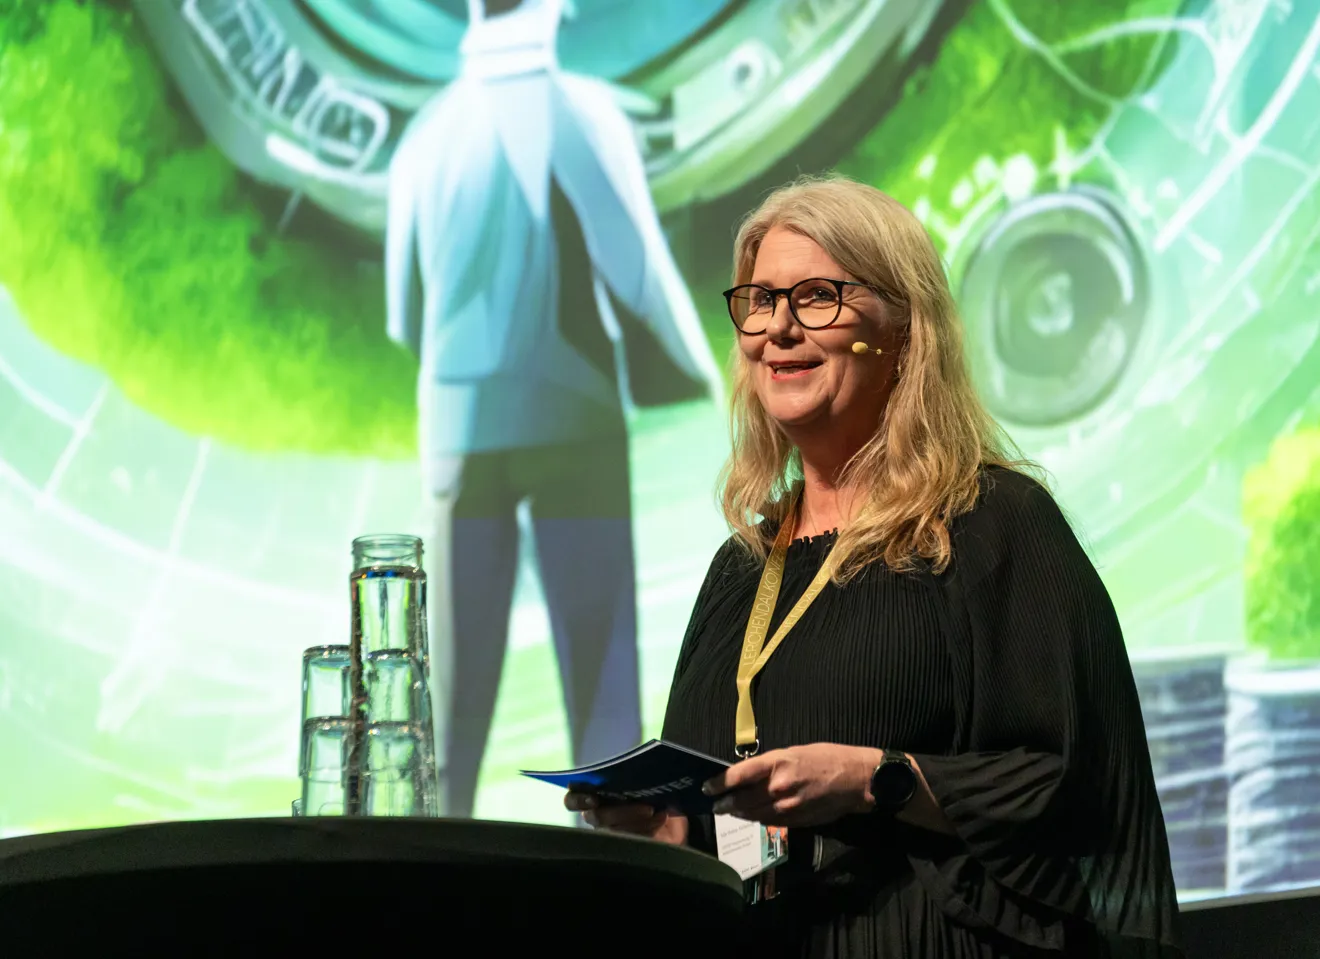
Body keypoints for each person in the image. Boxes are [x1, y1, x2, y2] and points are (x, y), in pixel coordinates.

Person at [565, 175, 1184, 957]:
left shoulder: (993, 524)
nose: (778, 328)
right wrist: (662, 826)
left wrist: (875, 780)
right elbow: (729, 824)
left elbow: (1079, 786)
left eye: (816, 297)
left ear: (904, 330)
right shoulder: (741, 569)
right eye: (760, 301)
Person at [385, 0, 722, 816]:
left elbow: (402, 311)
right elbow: (635, 267)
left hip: (458, 429)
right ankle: (612, 872)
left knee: (449, 699)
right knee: (602, 695)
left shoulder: (425, 137)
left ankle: (428, 866)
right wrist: (705, 376)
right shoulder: (583, 113)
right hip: (573, 419)